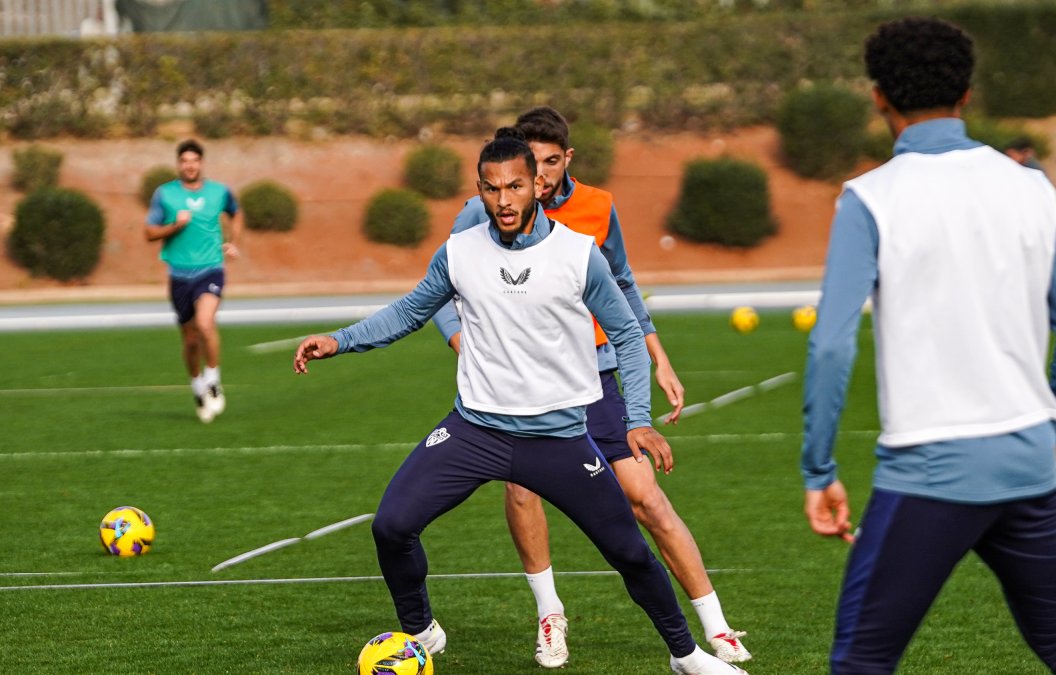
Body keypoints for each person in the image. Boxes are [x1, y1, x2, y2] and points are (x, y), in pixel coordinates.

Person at [293, 131, 746, 675]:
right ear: (479, 190)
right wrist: (339, 340)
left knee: (629, 552)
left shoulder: (577, 254)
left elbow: (626, 334)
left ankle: (686, 655)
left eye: (514, 186)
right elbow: (410, 311)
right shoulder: (460, 251)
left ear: (536, 185)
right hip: (474, 432)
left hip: (557, 439)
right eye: (491, 189)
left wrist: (638, 420)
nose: (503, 200)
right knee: (391, 525)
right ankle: (421, 632)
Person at [801, 17, 1056, 674]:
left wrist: (819, 469)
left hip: (931, 467)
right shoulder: (1031, 185)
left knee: (861, 661)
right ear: (967, 93)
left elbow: (832, 346)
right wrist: (1055, 422)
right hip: (1028, 460)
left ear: (878, 96)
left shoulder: (870, 198)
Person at [432, 107, 751, 667]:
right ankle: (550, 614)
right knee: (522, 492)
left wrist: (659, 358)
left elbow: (623, 285)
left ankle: (717, 627)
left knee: (647, 498)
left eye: (551, 162)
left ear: (566, 159)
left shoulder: (598, 207)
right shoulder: (479, 212)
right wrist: (465, 343)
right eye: (532, 163)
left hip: (596, 380)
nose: (541, 175)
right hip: (519, 390)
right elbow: (439, 289)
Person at [144, 139, 241, 424]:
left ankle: (213, 379)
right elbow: (149, 233)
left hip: (211, 269)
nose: (189, 165)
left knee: (205, 324)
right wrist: (175, 225)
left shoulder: (219, 192)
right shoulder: (165, 194)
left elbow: (236, 213)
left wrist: (233, 241)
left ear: (201, 163)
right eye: (184, 161)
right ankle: (198, 387)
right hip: (179, 275)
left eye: (194, 160)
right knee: (189, 340)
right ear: (179, 164)